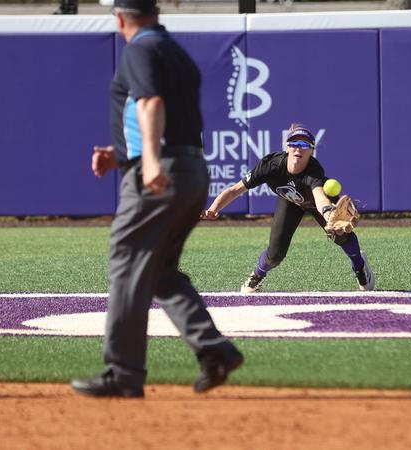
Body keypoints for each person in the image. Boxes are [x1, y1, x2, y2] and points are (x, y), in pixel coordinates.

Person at [71, 0, 243, 398]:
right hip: (192, 168)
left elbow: (150, 103)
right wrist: (123, 154)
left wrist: (148, 161)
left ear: (119, 18)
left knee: (127, 263)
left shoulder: (140, 48)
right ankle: (214, 349)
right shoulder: (175, 52)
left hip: (161, 169)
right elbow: (169, 115)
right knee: (160, 271)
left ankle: (123, 372)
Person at [202, 124, 375, 293]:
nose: (298, 149)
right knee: (275, 254)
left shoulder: (313, 170)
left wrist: (329, 213)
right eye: (294, 144)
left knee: (341, 235)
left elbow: (319, 196)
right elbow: (234, 190)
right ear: (287, 147)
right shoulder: (270, 165)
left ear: (311, 150)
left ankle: (360, 266)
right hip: (289, 201)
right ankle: (257, 275)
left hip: (318, 203)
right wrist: (213, 209)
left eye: (304, 145)